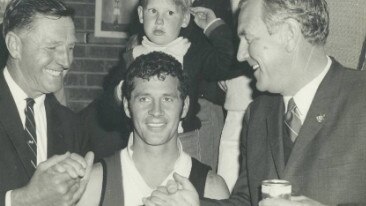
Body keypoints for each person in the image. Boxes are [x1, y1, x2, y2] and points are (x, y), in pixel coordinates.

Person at [144, 0, 366, 205]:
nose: (240, 55)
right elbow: (247, 200)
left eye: (249, 39)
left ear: (289, 34)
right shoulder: (258, 113)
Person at [77, 52, 229, 206]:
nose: (156, 111)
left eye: (167, 99)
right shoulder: (94, 183)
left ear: (185, 107)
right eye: (144, 99)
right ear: (127, 107)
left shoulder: (212, 188)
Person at [0, 0, 93, 205]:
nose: (66, 61)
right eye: (52, 47)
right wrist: (19, 200)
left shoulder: (72, 125)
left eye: (71, 47)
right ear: (15, 46)